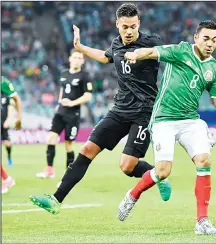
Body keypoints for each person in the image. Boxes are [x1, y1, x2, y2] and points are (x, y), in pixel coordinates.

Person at [30, 3, 171, 214]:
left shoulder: (152, 42)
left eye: (133, 26)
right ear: (117, 25)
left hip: (144, 112)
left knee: (127, 167)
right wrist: (81, 48)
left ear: (139, 23)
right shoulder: (116, 44)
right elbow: (106, 57)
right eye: (125, 27)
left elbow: (173, 55)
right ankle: (55, 200)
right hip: (119, 110)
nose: (129, 31)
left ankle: (155, 173)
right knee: (87, 149)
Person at [117, 20, 216, 235]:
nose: (210, 44)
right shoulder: (180, 51)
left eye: (214, 40)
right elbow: (153, 52)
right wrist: (135, 54)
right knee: (162, 171)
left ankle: (202, 221)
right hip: (163, 120)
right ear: (196, 38)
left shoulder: (213, 68)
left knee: (204, 161)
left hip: (190, 120)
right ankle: (133, 194)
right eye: (206, 38)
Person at [36, 49, 93, 178]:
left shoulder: (85, 76)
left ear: (83, 61)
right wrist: (59, 103)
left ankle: (68, 175)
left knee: (68, 144)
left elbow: (88, 96)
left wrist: (72, 103)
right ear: (70, 59)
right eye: (75, 57)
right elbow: (62, 90)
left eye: (80, 58)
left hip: (73, 115)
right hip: (60, 112)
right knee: (51, 138)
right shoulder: (64, 73)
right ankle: (49, 170)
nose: (77, 60)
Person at [1, 76, 22, 167]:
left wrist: (18, 118)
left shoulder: (4, 84)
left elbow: (14, 103)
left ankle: (9, 157)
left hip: (3, 122)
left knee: (7, 143)